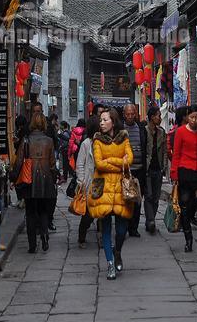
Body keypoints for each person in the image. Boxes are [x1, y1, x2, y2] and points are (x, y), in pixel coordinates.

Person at [88, 108, 134, 280]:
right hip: (103, 188)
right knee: (105, 229)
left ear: (112, 122)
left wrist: (111, 161)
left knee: (122, 230)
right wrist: (119, 162)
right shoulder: (97, 140)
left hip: (122, 188)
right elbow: (99, 164)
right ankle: (110, 265)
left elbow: (129, 159)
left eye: (104, 120)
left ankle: (118, 251)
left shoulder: (124, 137)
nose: (101, 123)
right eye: (100, 120)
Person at [11, 113, 57, 253]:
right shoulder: (49, 141)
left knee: (30, 212)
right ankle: (44, 234)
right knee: (43, 210)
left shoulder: (26, 140)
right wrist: (54, 178)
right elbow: (52, 164)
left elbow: (19, 161)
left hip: (29, 179)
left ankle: (32, 245)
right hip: (45, 179)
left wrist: (13, 176)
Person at [171, 104, 197, 255]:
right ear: (187, 117)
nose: (195, 120)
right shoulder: (180, 132)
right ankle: (188, 239)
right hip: (185, 174)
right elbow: (176, 154)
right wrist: (174, 174)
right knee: (186, 207)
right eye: (192, 117)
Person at [75, 114, 100, 248]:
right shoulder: (86, 144)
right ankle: (82, 237)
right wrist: (82, 182)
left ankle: (102, 237)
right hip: (89, 183)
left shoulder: (104, 142)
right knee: (88, 214)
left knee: (103, 213)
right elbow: (80, 164)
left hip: (101, 183)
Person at [121, 103, 147, 237]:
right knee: (126, 199)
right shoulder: (120, 129)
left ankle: (134, 228)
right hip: (126, 171)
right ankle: (124, 226)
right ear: (124, 115)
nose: (130, 116)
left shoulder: (141, 128)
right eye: (128, 114)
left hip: (139, 170)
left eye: (132, 114)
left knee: (137, 200)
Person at [143, 105, 169, 234]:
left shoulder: (162, 132)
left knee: (156, 196)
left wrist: (164, 166)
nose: (160, 118)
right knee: (148, 195)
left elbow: (164, 151)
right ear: (152, 117)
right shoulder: (144, 131)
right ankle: (150, 220)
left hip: (158, 168)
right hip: (147, 169)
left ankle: (151, 219)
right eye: (158, 116)